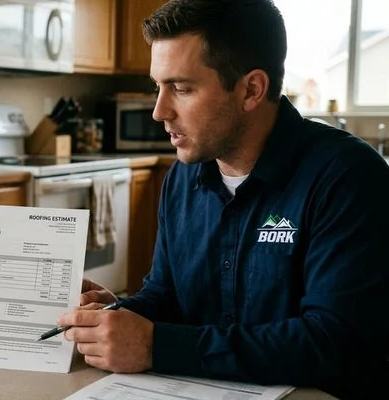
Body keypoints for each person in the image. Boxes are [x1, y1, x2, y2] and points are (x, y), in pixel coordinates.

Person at [59, 0, 389, 398]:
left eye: (181, 88)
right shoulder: (182, 177)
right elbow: (168, 296)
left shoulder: (347, 177)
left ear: (251, 89)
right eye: (157, 87)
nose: (159, 111)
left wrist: (157, 345)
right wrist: (117, 315)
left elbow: (334, 342)